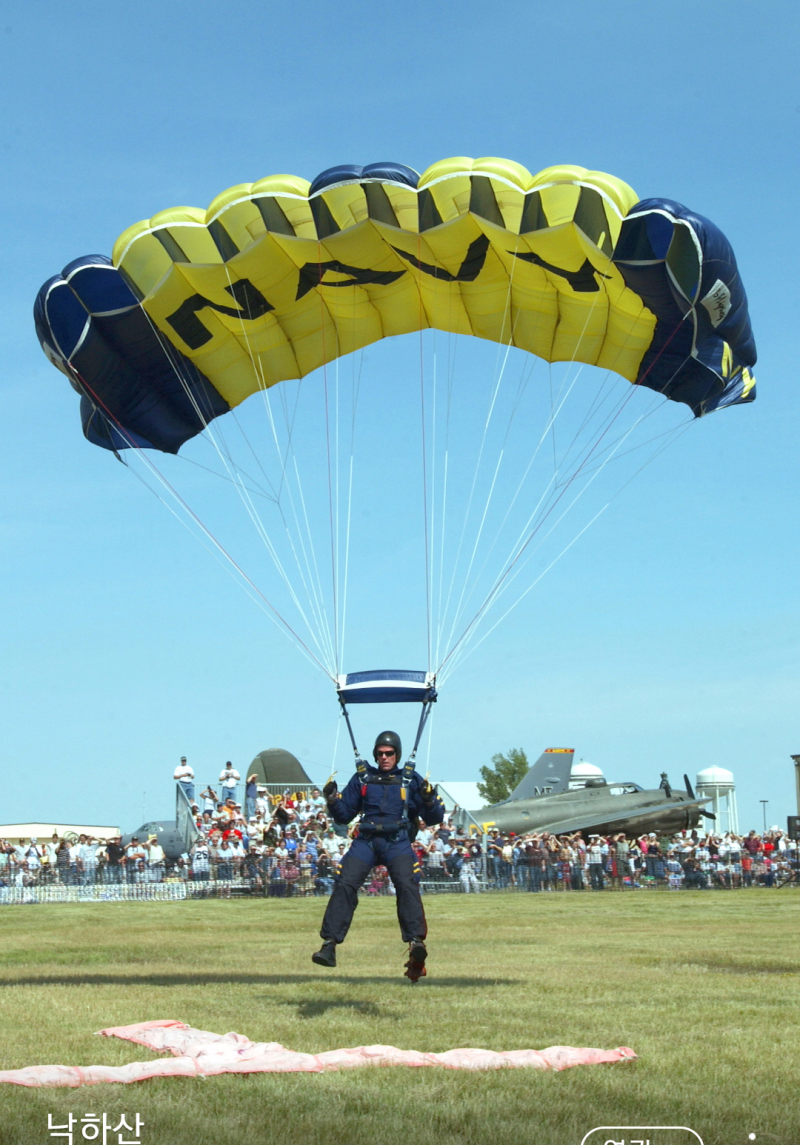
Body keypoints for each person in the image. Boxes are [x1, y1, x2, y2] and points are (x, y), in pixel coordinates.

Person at [311, 730, 445, 980]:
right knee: (345, 883)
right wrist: (331, 799)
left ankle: (416, 943)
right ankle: (329, 945)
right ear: (375, 754)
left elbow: (434, 818)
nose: (384, 757)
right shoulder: (363, 779)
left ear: (397, 754)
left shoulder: (410, 780)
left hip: (397, 841)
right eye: (380, 753)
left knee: (407, 884)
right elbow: (344, 815)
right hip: (367, 841)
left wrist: (428, 800)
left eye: (389, 753)